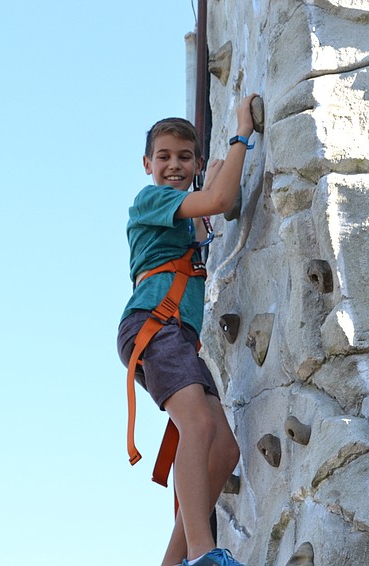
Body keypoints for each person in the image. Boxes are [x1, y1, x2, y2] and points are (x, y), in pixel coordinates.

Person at [117, 94, 258, 566]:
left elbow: (210, 209)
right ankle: (202, 553)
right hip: (153, 327)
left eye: (184, 157)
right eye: (164, 157)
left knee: (225, 449)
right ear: (147, 164)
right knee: (196, 426)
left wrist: (217, 169)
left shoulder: (184, 212)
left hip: (175, 337)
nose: (173, 165)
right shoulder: (152, 200)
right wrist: (242, 134)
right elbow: (217, 200)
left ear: (194, 162)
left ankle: (175, 562)